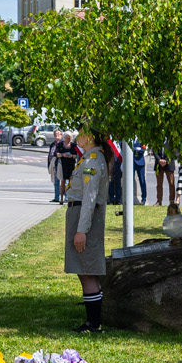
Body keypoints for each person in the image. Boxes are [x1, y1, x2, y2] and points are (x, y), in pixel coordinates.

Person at [63, 131, 111, 334]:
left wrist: (81, 230)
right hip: (79, 212)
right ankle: (93, 320)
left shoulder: (92, 160)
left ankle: (93, 324)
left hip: (84, 216)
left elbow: (90, 199)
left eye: (82, 134)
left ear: (91, 138)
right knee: (85, 270)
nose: (78, 136)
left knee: (86, 271)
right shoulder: (89, 158)